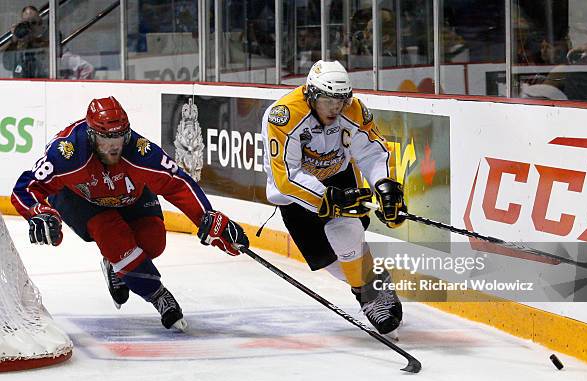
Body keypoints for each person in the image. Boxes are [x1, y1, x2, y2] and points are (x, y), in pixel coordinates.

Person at [11, 96, 249, 331]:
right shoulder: (68, 153)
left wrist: (207, 216)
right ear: (92, 136)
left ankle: (114, 263)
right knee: (114, 237)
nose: (115, 145)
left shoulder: (139, 151)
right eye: (106, 138)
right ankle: (158, 296)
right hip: (79, 197)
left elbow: (177, 183)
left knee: (153, 242)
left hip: (129, 194)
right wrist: (37, 211)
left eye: (120, 137)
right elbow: (27, 187)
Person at [261, 60, 407, 337]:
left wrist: (384, 185)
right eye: (328, 100)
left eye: (340, 100)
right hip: (293, 193)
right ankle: (373, 281)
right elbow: (286, 177)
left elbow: (372, 152)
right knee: (328, 261)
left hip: (339, 177)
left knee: (347, 234)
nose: (335, 107)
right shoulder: (282, 116)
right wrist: (328, 197)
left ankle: (370, 294)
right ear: (312, 95)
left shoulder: (354, 110)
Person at [2, 6, 49, 78]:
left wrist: (36, 41)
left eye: (33, 22)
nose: (29, 27)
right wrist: (14, 40)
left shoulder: (49, 40)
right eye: (26, 23)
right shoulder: (17, 43)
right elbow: (7, 65)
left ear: (40, 24)